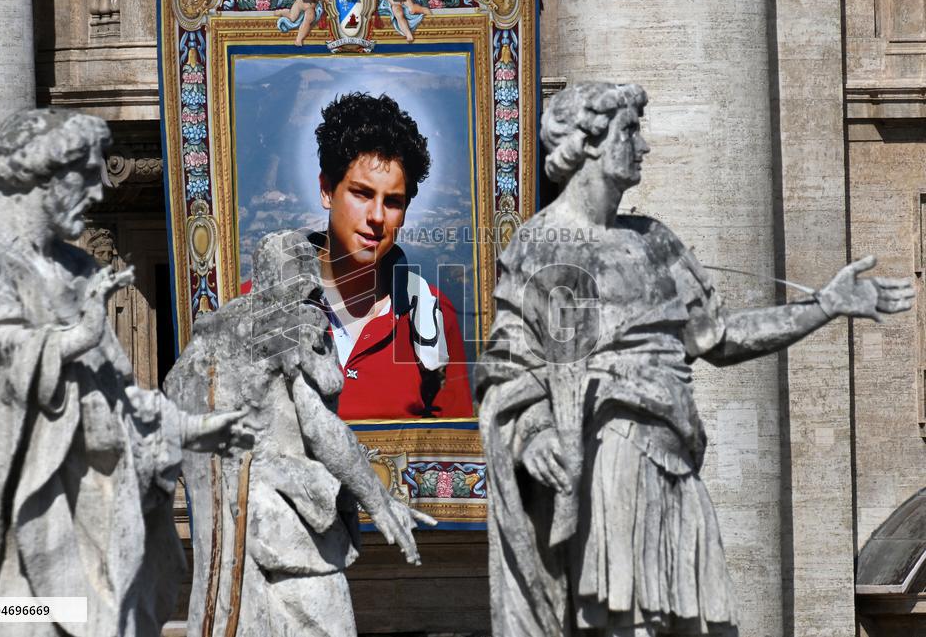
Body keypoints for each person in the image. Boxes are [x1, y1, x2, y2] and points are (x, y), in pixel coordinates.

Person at [476, 82, 915, 636]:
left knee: (692, 623)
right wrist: (535, 431)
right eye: (629, 131)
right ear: (589, 142)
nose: (644, 146)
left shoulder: (657, 241)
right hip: (612, 456)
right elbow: (510, 363)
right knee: (626, 620)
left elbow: (721, 335)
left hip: (676, 459)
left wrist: (823, 307)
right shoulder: (544, 245)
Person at [0, 108, 249, 637]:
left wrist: (192, 429)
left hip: (91, 525)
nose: (100, 195)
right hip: (9, 534)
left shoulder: (81, 272)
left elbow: (120, 396)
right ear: (46, 174)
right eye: (88, 177)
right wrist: (77, 337)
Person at [168, 229, 436, 637]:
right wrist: (379, 502)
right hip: (290, 523)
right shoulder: (298, 325)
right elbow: (323, 429)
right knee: (332, 625)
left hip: (238, 526)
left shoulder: (214, 334)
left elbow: (178, 401)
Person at [313, 92, 472, 419]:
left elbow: (454, 457)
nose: (376, 216)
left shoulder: (433, 319)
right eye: (362, 193)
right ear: (327, 190)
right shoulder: (263, 309)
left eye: (393, 202)